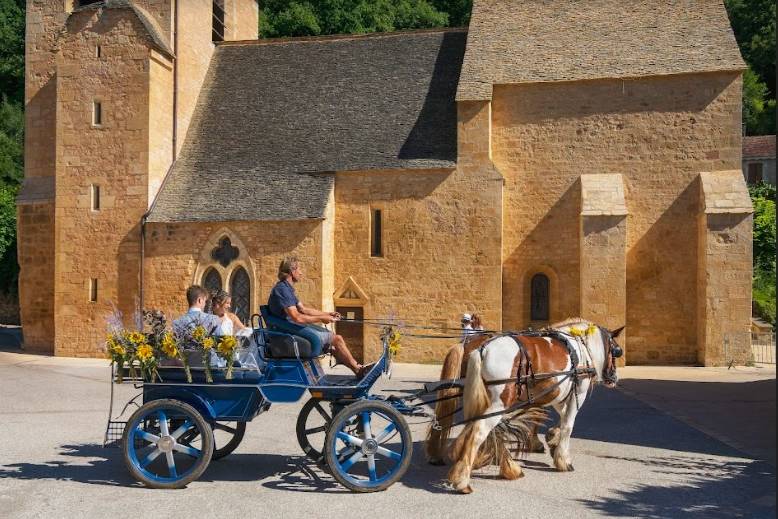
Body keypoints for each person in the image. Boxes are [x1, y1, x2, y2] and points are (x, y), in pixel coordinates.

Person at [268, 256, 373, 378]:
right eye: (299, 269)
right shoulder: (282, 290)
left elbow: (304, 309)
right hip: (287, 336)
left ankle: (358, 370)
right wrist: (322, 319)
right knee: (337, 339)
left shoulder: (287, 289)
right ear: (292, 271)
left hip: (291, 331)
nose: (301, 273)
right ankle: (358, 369)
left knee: (333, 345)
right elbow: (297, 317)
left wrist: (327, 314)